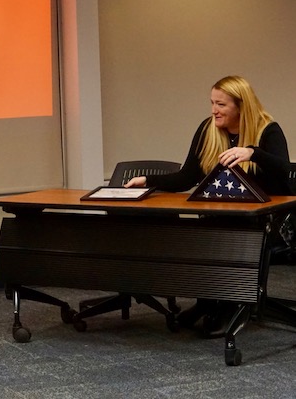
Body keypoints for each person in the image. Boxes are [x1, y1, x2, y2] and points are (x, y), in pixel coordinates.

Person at [124, 75, 292, 336]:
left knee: (226, 240)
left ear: (241, 106)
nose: (214, 110)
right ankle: (206, 302)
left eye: (221, 105)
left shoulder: (267, 130)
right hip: (221, 215)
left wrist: (253, 153)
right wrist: (148, 180)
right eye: (212, 103)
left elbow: (285, 172)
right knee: (200, 235)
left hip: (265, 220)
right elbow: (187, 177)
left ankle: (229, 308)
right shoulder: (208, 128)